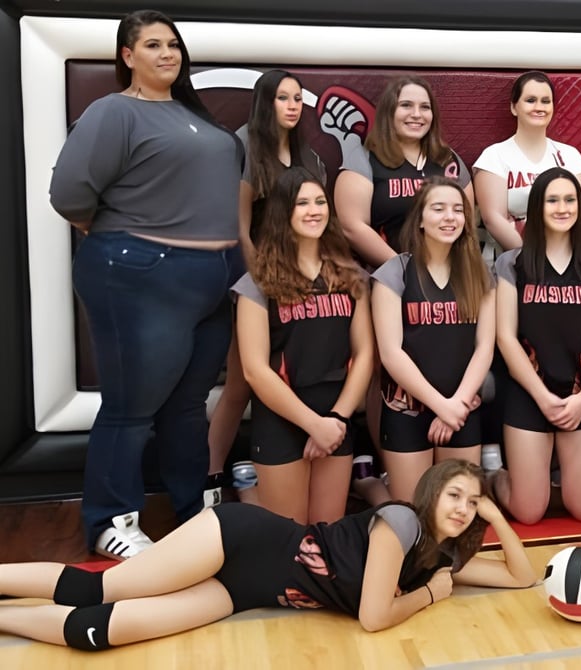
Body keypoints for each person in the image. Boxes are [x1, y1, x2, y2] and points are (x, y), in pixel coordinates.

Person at [49, 10, 244, 559]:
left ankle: (191, 511)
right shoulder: (114, 112)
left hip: (211, 276)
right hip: (140, 273)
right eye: (152, 44)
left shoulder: (193, 117)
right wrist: (121, 236)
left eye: (174, 44)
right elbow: (69, 194)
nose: (167, 53)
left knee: (185, 407)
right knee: (130, 406)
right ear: (127, 56)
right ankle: (110, 520)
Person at [0, 460, 536, 648]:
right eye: (455, 496)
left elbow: (522, 578)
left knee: (101, 632)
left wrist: (494, 517)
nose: (464, 508)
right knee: (98, 589)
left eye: (473, 501)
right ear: (430, 495)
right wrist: (426, 597)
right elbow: (374, 617)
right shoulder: (399, 522)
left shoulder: (442, 561)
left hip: (243, 589)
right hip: (242, 538)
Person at [207, 69, 329, 505]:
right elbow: (240, 229)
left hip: (306, 289)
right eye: (283, 98)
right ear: (265, 103)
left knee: (296, 376)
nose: (293, 105)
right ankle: (212, 476)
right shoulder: (244, 146)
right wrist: (266, 282)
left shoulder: (310, 158)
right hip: (258, 283)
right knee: (242, 381)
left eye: (298, 98)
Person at [232, 168, 373, 523]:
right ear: (284, 213)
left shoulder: (349, 276)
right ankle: (249, 492)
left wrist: (338, 418)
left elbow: (365, 353)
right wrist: (314, 425)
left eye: (320, 202)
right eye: (302, 203)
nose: (314, 210)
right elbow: (255, 370)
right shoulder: (258, 281)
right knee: (288, 540)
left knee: (325, 535)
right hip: (283, 418)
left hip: (335, 416)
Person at [491, 168, 581, 524]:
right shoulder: (512, 264)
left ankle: (557, 479)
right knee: (528, 513)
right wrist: (542, 397)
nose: (562, 208)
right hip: (529, 393)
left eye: (570, 199)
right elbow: (505, 337)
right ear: (536, 207)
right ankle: (497, 478)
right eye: (552, 200)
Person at [371, 177, 494, 502]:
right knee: (413, 516)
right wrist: (441, 407)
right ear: (420, 219)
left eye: (458, 210)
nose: (449, 217)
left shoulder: (479, 273)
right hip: (407, 409)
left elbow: (484, 346)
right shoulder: (394, 271)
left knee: (458, 511)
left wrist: (457, 406)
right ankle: (370, 488)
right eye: (438, 209)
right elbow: (391, 352)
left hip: (463, 407)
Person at [335, 75, 473, 268]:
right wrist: (403, 270)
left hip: (447, 276)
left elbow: (467, 220)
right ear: (388, 111)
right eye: (406, 105)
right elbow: (353, 227)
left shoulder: (448, 159)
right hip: (389, 278)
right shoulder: (364, 159)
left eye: (425, 107)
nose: (417, 114)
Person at [474, 71, 581, 257]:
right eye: (530, 100)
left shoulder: (570, 157)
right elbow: (493, 219)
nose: (539, 107)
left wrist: (554, 262)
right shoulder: (494, 156)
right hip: (509, 262)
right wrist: (528, 259)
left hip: (562, 262)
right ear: (514, 107)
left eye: (546, 101)